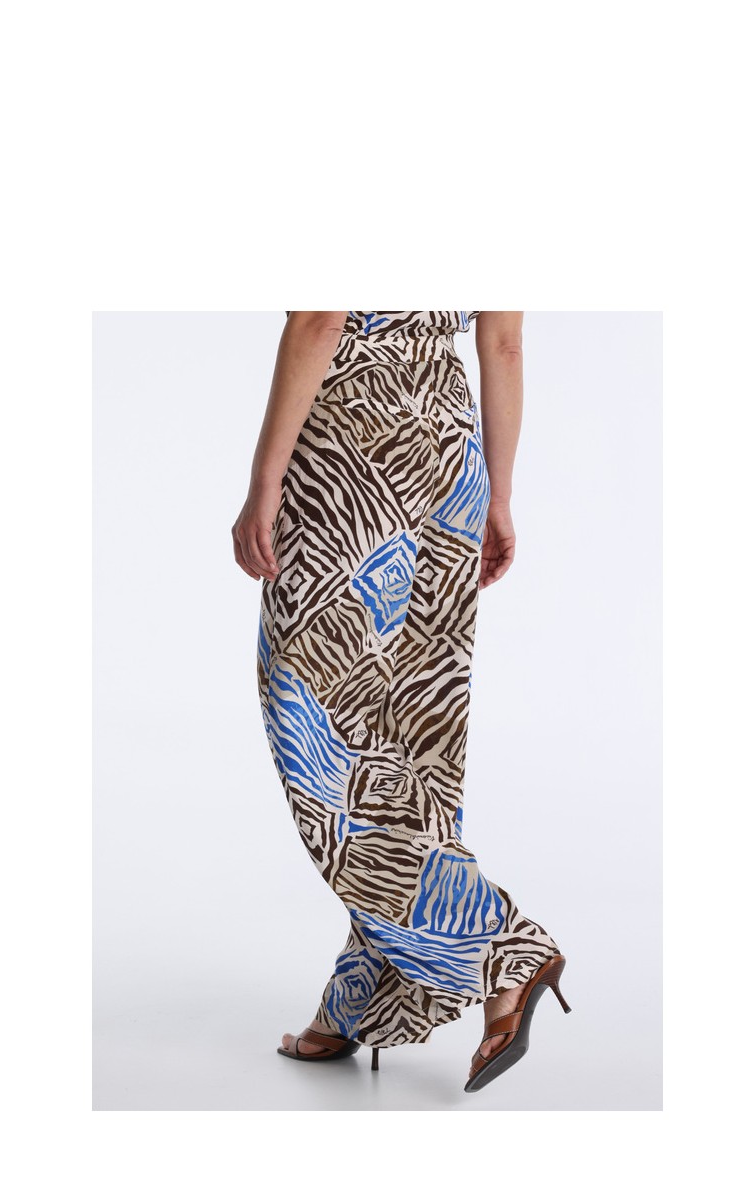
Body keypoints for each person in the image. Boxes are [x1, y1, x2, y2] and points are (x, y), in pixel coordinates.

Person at [232, 311, 570, 1093]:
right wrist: (497, 494)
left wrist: (265, 481)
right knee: (410, 744)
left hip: (354, 450)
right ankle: (369, 996)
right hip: (450, 453)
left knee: (313, 716)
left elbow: (321, 318)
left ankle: (504, 948)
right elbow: (503, 342)